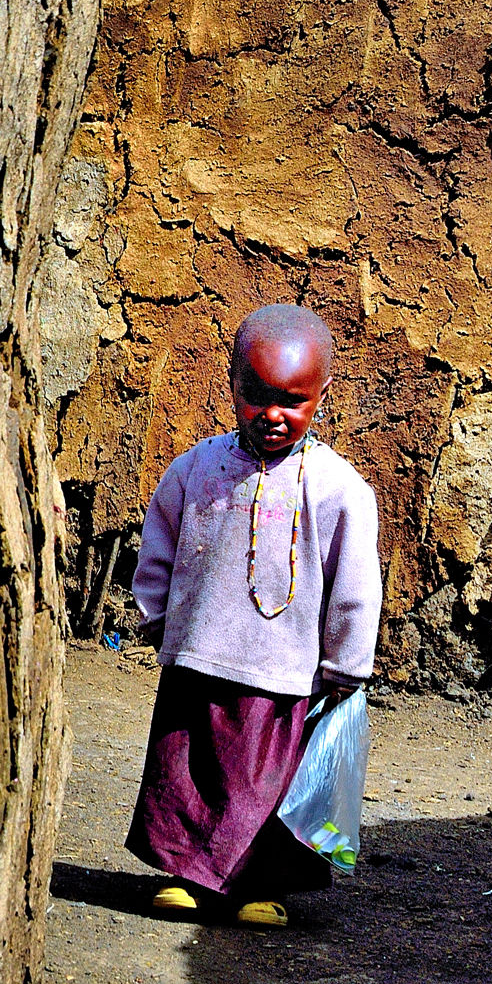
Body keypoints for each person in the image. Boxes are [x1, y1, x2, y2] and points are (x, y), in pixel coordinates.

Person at [124, 303, 380, 928]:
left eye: (292, 401)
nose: (272, 414)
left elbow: (355, 584)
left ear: (321, 396)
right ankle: (184, 873)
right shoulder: (195, 469)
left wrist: (346, 664)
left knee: (262, 786)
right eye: (256, 396)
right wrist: (158, 618)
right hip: (199, 656)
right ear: (233, 385)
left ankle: (259, 885)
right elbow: (159, 544)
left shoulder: (337, 488)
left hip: (285, 673)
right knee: (185, 772)